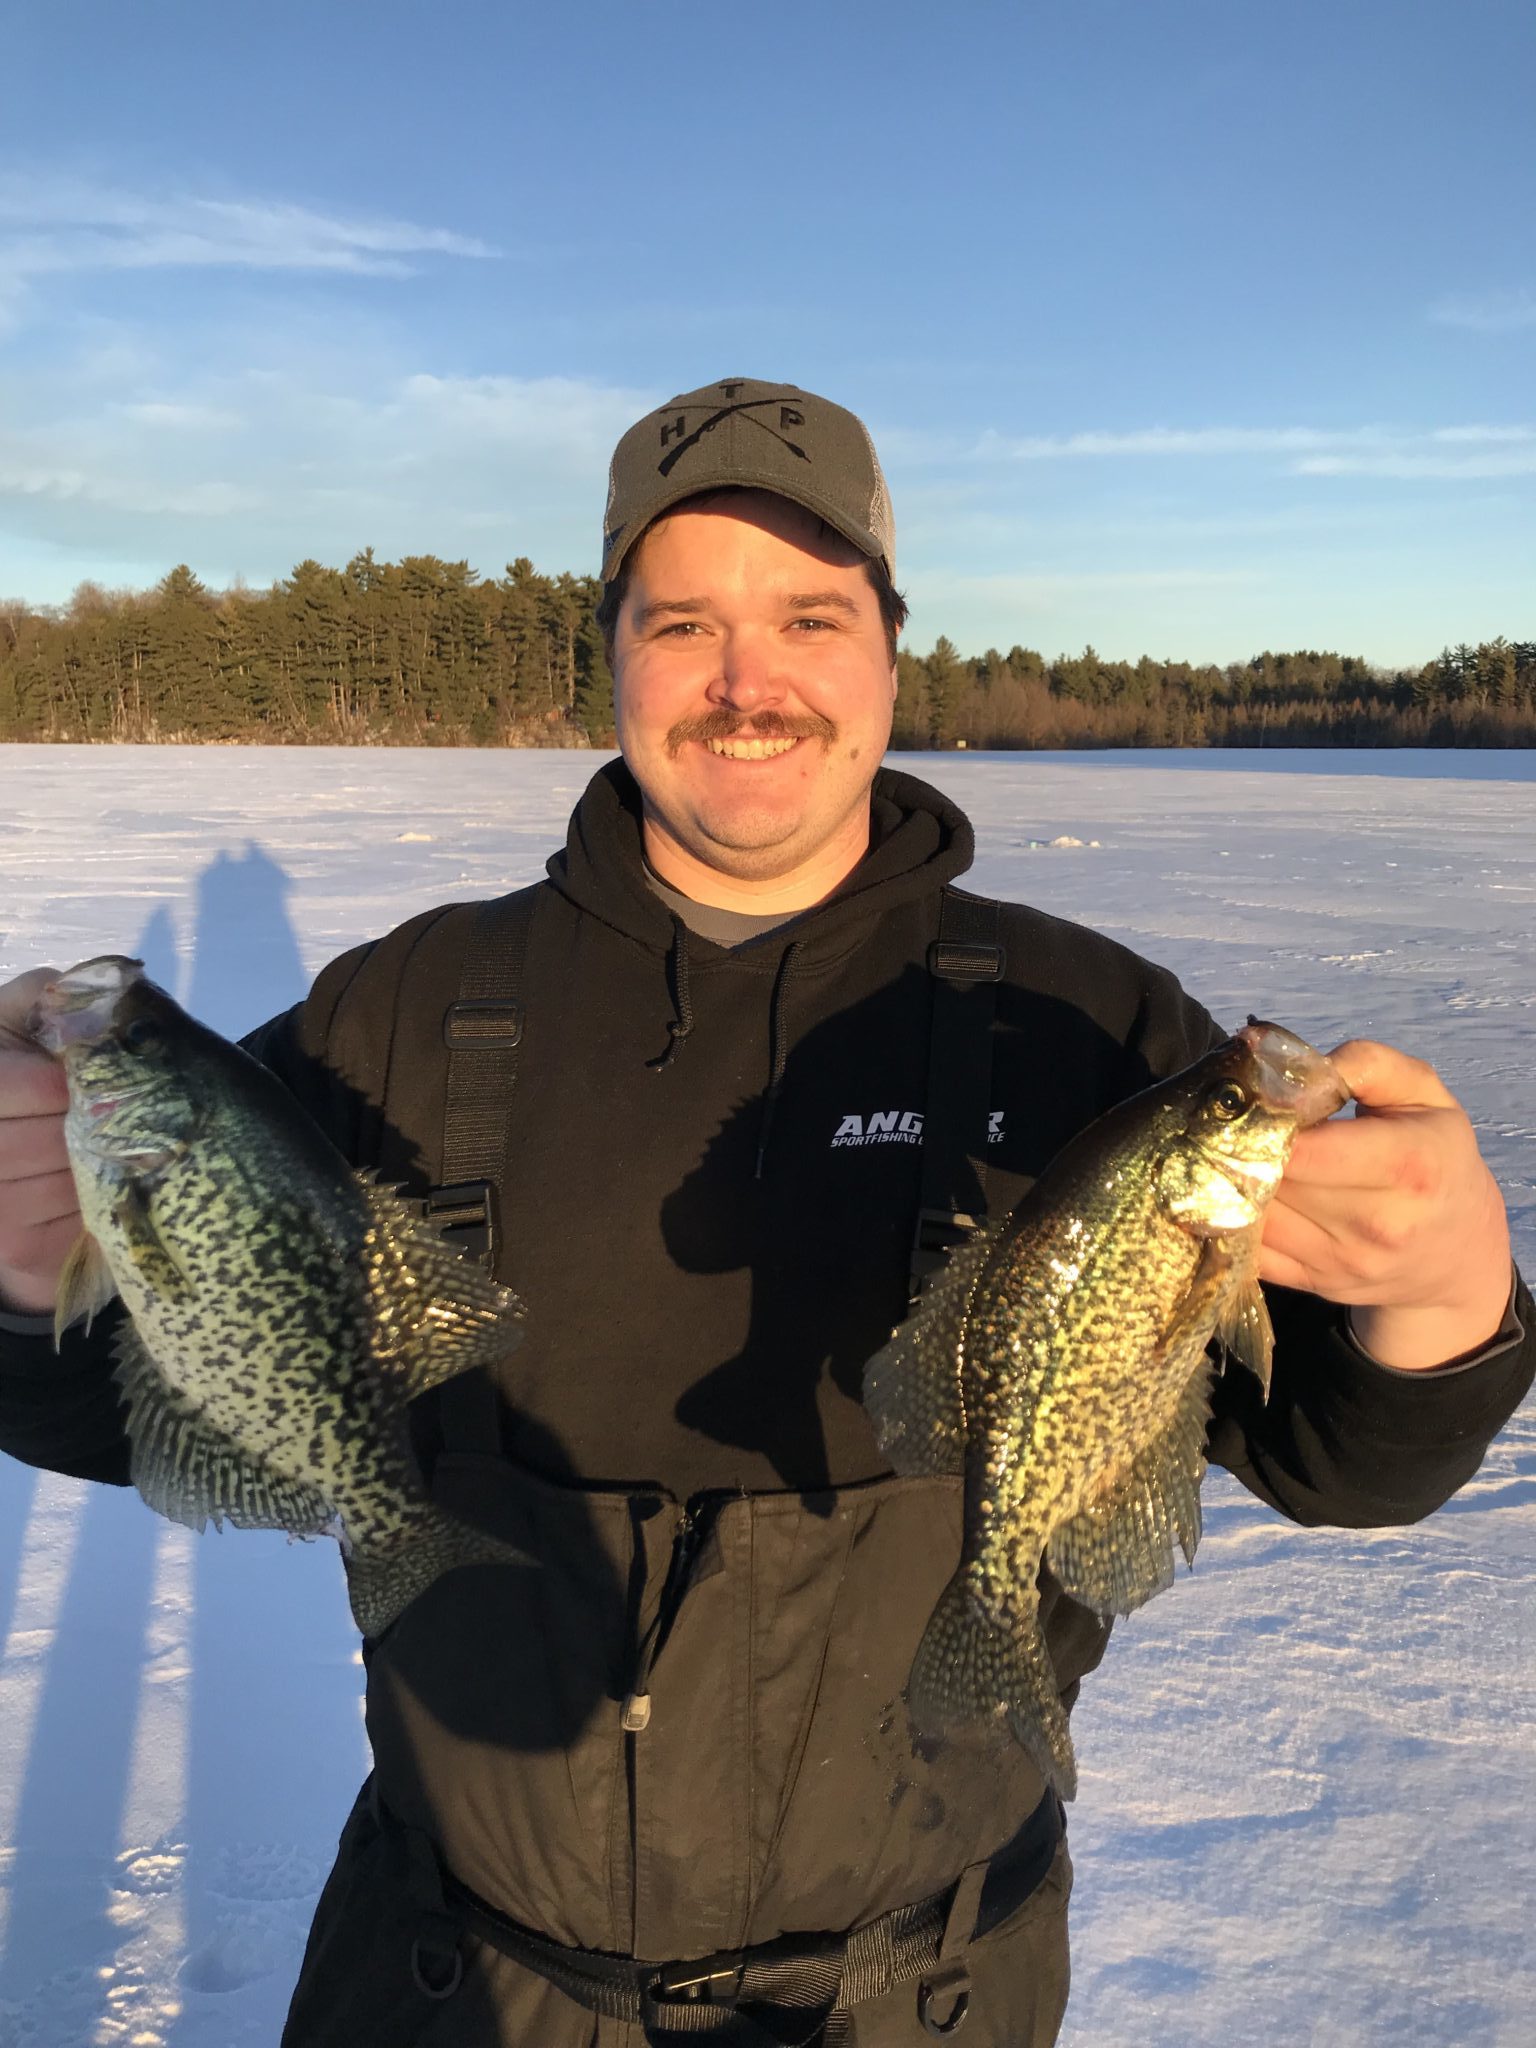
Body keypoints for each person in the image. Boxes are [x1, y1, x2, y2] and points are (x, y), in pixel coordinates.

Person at [0, 376, 1529, 2048]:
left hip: (928, 1992)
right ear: (610, 656)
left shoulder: (1096, 1031)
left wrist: (1443, 1304)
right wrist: (23, 1275)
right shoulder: (406, 1012)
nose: (750, 685)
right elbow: (158, 1383)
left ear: (889, 649)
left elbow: (1338, 1460)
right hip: (455, 1982)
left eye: (812, 613)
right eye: (682, 624)